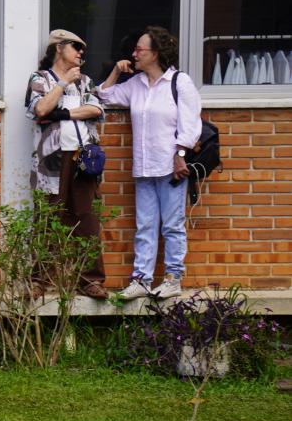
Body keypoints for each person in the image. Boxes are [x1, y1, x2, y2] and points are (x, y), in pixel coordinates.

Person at [97, 25, 202, 300]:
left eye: (139, 49)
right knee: (145, 226)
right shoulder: (136, 84)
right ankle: (141, 281)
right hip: (144, 167)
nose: (134, 54)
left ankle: (173, 279)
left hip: (171, 168)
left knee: (172, 226)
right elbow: (104, 95)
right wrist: (116, 71)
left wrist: (180, 156)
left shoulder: (180, 83)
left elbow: (191, 125)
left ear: (155, 53)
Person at [25, 29, 108, 299]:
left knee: (88, 218)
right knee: (47, 218)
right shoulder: (40, 79)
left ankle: (91, 280)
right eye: (75, 46)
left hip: (83, 159)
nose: (81, 52)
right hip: (52, 160)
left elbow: (97, 109)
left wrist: (62, 113)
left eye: (82, 48)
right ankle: (39, 280)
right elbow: (40, 109)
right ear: (59, 48)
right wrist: (61, 84)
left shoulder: (85, 81)